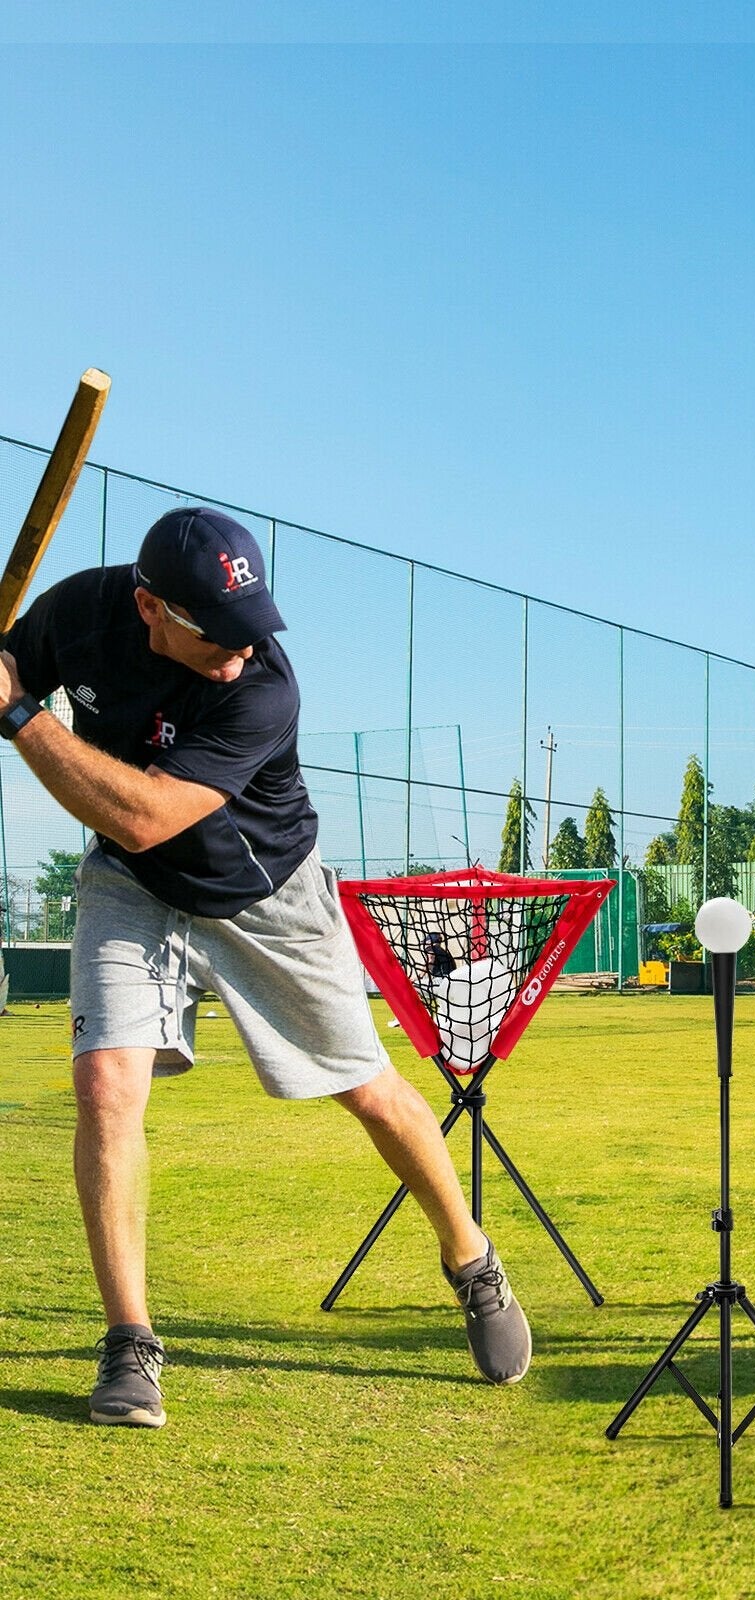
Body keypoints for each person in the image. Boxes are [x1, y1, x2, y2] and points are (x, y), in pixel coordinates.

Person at [0, 506, 532, 1428]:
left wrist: (15, 715)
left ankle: (471, 1257)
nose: (244, 652)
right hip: (133, 887)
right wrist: (10, 679)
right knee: (104, 1087)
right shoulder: (76, 614)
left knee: (367, 1089)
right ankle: (130, 1344)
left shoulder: (263, 690)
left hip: (265, 897)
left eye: (255, 631)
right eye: (221, 636)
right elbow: (21, 673)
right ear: (150, 609)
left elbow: (143, 813)